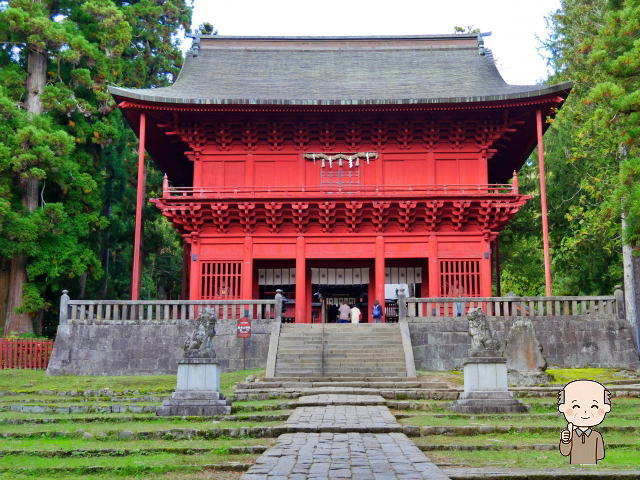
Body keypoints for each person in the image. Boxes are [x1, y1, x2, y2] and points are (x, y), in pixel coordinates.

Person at [557, 379, 611, 464]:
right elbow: (565, 452)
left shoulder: (596, 435)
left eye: (594, 406)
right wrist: (565, 441)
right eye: (575, 406)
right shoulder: (572, 435)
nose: (585, 412)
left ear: (606, 408)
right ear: (562, 407)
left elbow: (600, 455)